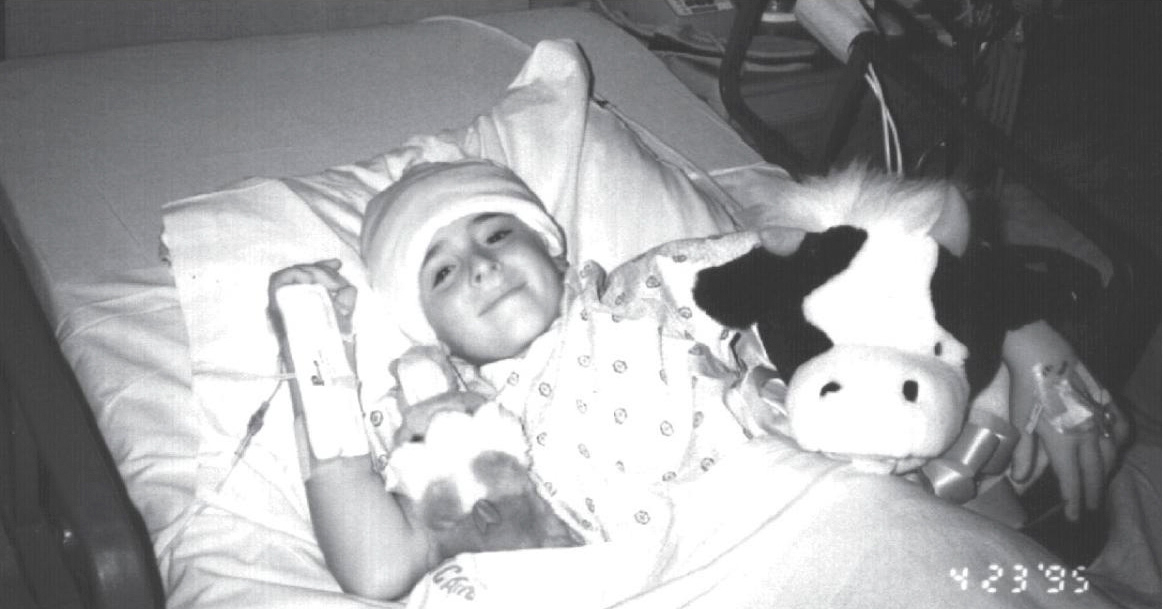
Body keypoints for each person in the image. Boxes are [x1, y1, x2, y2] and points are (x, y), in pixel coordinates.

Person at [268, 158, 1129, 601]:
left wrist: (1036, 351)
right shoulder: (459, 433)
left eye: (495, 235)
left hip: (808, 510)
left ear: (553, 245)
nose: (481, 267)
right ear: (426, 328)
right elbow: (380, 566)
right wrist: (312, 351)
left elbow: (881, 254)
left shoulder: (658, 285)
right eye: (443, 272)